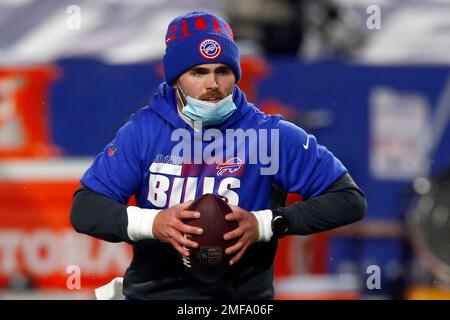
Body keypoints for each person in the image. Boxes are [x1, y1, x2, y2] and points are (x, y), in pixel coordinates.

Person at [70, 11, 366, 300]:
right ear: (176, 79)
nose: (212, 84)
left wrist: (266, 224)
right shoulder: (144, 132)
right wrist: (153, 223)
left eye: (222, 71)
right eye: (198, 72)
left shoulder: (269, 136)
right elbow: (86, 209)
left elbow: (348, 200)